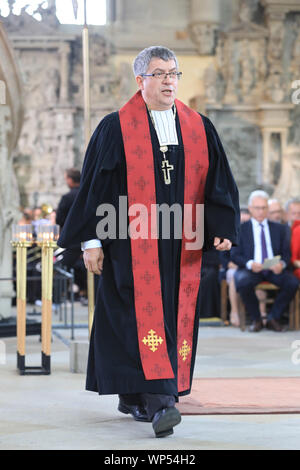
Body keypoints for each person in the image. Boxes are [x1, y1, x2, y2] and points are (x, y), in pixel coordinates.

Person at [58, 46, 240, 438]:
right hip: (129, 244)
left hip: (181, 245)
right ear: (140, 80)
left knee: (172, 317)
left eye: (173, 73)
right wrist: (91, 240)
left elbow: (218, 181)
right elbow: (95, 187)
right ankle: (162, 405)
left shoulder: (198, 126)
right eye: (159, 74)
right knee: (136, 319)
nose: (169, 80)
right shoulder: (115, 127)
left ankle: (135, 395)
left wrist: (222, 225)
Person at [232, 190, 299, 333]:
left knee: (292, 282)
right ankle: (256, 319)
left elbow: (286, 254)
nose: (261, 211)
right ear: (250, 208)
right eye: (257, 208)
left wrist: (282, 264)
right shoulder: (241, 229)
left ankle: (273, 318)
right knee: (243, 282)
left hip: (273, 269)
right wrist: (250, 263)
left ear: (268, 209)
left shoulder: (280, 229)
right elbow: (235, 255)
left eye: (264, 208)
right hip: (251, 269)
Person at [56, 168, 87, 303]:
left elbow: (59, 220)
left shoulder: (67, 197)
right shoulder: (87, 194)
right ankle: (84, 293)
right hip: (88, 237)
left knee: (60, 268)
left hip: (72, 241)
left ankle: (58, 298)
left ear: (70, 179)